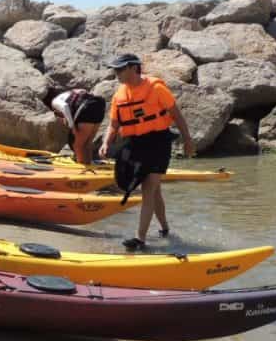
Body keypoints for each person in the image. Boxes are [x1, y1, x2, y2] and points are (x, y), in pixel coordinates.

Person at [99, 53, 196, 251]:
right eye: (115, 69)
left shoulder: (156, 89)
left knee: (148, 188)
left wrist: (187, 140)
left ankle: (140, 238)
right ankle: (166, 229)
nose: (116, 73)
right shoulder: (119, 95)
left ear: (134, 68)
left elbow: (176, 115)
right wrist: (106, 143)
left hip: (158, 141)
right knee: (154, 190)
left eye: (120, 69)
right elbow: (114, 124)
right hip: (135, 143)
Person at [42, 86, 106, 165]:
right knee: (88, 143)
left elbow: (65, 107)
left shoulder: (55, 101)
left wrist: (72, 127)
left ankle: (82, 167)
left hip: (87, 107)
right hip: (99, 104)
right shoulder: (68, 94)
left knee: (77, 145)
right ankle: (89, 164)